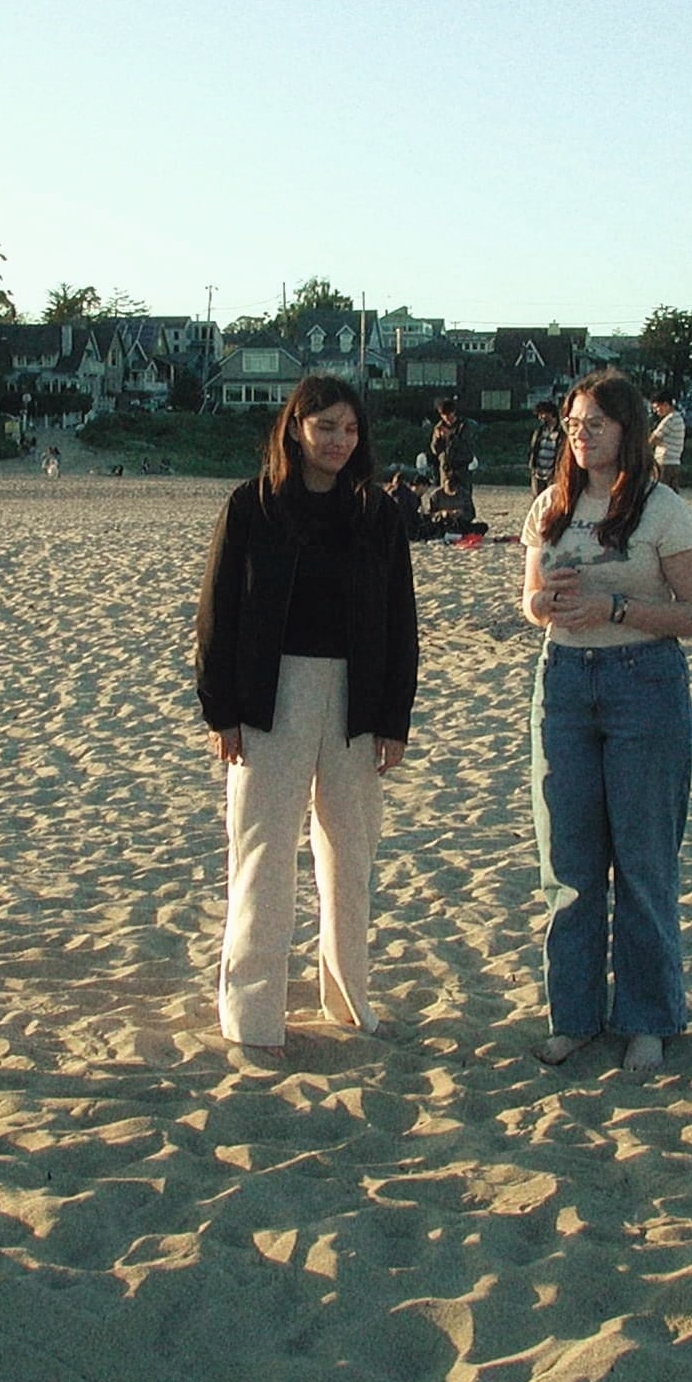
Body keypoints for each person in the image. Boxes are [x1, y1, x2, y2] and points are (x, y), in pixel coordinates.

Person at [196, 375, 419, 1060]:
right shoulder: (251, 506)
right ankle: (252, 1015)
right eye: (326, 427)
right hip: (269, 698)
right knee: (261, 856)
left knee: (349, 858)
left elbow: (401, 621)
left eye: (350, 430)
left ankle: (348, 1000)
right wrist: (222, 711)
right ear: (296, 427)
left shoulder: (377, 514)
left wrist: (393, 719)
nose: (338, 442)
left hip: (356, 700)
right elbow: (216, 616)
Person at [521, 369, 692, 1074]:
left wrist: (617, 609)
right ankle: (573, 1016)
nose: (581, 435)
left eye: (595, 424)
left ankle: (647, 1018)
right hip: (565, 684)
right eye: (573, 424)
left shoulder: (664, 510)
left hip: (644, 683)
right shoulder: (550, 505)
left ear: (627, 430)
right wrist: (549, 605)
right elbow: (530, 602)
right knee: (568, 863)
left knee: (642, 861)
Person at [429, 397, 475, 495]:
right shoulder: (439, 427)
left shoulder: (464, 426)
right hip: (446, 469)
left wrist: (451, 436)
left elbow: (466, 446)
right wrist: (438, 439)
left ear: (454, 412)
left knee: (463, 499)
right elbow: (435, 450)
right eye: (444, 415)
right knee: (445, 498)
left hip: (461, 469)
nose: (447, 418)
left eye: (449, 414)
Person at [649, 390, 686, 489]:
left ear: (665, 405)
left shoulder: (670, 419)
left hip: (664, 462)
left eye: (657, 407)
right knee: (672, 495)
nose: (656, 411)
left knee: (659, 493)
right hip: (674, 462)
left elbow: (652, 438)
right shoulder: (678, 418)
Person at [528, 399, 562, 498]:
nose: (540, 417)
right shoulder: (539, 431)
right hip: (538, 472)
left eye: (541, 414)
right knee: (538, 499)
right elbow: (534, 450)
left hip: (553, 473)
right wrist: (533, 466)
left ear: (550, 413)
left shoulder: (561, 432)